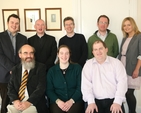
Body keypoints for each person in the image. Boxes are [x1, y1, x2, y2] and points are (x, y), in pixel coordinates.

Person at [81, 40, 127, 113]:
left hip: (114, 100)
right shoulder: (88, 65)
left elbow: (122, 83)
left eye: (100, 48)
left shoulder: (117, 63)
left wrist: (117, 102)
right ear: (92, 52)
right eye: (95, 49)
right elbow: (86, 86)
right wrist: (91, 102)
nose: (98, 52)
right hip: (94, 101)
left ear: (106, 49)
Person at [7, 44, 48, 113]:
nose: (29, 56)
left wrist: (29, 102)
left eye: (31, 53)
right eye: (25, 53)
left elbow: (41, 88)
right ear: (20, 55)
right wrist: (15, 100)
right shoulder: (15, 69)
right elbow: (10, 87)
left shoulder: (41, 68)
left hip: (34, 102)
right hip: (17, 101)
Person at [0, 14, 27, 113]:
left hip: (19, 74)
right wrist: (12, 68)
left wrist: (18, 69)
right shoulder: (0, 37)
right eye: (12, 22)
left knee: (17, 102)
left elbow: (25, 55)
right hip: (4, 75)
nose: (14, 25)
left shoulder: (23, 38)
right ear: (7, 23)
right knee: (5, 103)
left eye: (17, 23)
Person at [46, 45, 84, 113]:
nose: (64, 56)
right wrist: (58, 101)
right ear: (58, 54)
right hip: (56, 102)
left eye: (67, 53)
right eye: (61, 53)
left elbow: (80, 88)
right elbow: (49, 90)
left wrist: (71, 101)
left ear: (69, 55)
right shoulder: (51, 71)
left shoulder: (77, 68)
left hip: (75, 101)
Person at [118, 17, 141, 113]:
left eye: (128, 24)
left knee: (129, 92)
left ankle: (133, 111)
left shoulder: (139, 36)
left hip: (132, 67)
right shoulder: (124, 38)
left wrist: (136, 69)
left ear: (133, 25)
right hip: (122, 66)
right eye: (124, 25)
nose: (126, 27)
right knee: (124, 91)